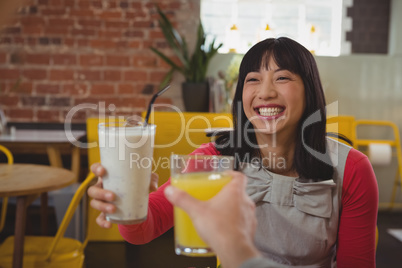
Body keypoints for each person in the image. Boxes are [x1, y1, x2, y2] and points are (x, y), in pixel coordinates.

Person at [88, 37, 378, 267]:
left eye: (282, 78)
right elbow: (144, 230)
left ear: (310, 90)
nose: (265, 92)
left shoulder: (352, 169)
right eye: (253, 79)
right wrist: (127, 206)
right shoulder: (213, 159)